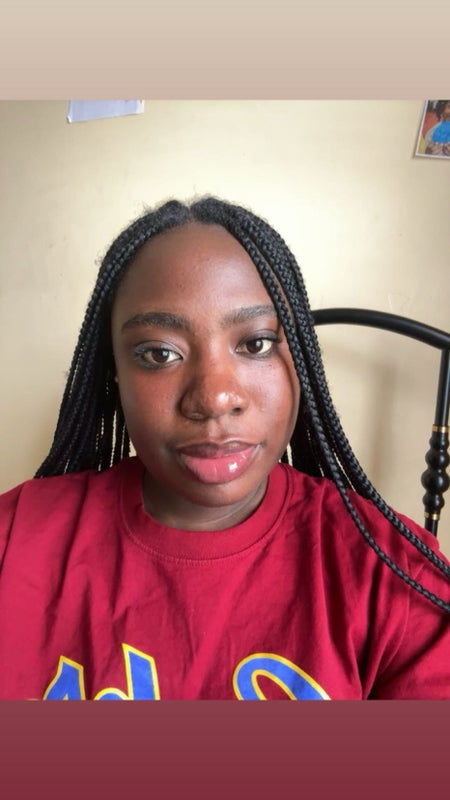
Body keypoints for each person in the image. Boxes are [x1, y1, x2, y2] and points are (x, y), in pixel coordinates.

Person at [0, 197, 449, 700]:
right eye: (159, 353)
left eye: (256, 344)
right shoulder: (13, 541)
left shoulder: (398, 576)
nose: (214, 398)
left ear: (302, 360)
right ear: (114, 375)